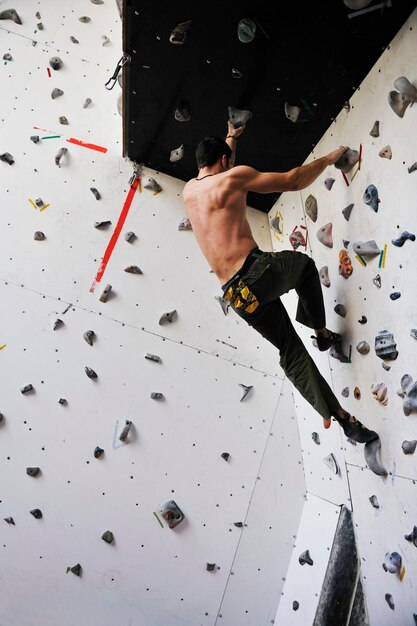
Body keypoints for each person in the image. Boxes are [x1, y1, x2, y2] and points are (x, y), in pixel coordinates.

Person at [182, 120, 378, 445]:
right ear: (223, 163)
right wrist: (328, 159)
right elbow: (293, 180)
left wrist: (231, 136)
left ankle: (340, 417)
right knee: (302, 267)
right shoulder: (232, 177)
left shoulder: (190, 191)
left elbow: (220, 170)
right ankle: (322, 332)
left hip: (236, 296)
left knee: (289, 350)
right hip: (255, 272)